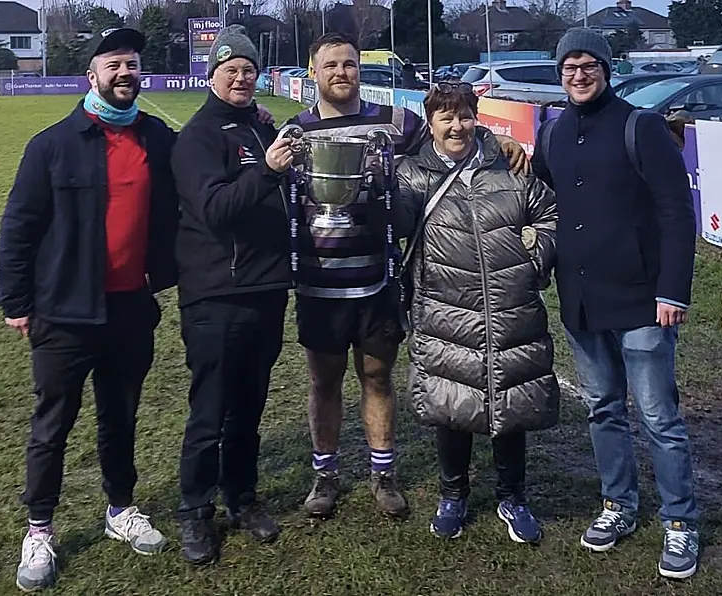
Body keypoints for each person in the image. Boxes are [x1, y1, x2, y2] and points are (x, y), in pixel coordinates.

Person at [285, 32, 528, 521]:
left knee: (377, 377)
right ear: (312, 72)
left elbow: (447, 135)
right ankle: (326, 474)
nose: (341, 73)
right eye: (330, 65)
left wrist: (492, 137)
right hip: (319, 280)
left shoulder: (394, 121)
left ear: (359, 69)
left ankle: (383, 474)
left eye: (349, 64)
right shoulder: (295, 131)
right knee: (323, 382)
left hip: (378, 276)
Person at [0, 27, 178, 592]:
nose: (126, 73)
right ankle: (39, 528)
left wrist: (255, 129)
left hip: (128, 309)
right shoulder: (51, 144)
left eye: (133, 64)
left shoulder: (157, 137)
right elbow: (19, 228)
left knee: (119, 418)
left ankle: (120, 508)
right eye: (115, 64)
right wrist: (16, 302)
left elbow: (200, 167)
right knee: (52, 425)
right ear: (92, 74)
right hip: (63, 313)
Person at [531, 28, 699, 579]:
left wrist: (672, 290)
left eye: (588, 65)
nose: (578, 75)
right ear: (559, 75)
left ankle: (680, 523)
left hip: (643, 302)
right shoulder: (552, 134)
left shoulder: (640, 126)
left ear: (605, 69)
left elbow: (676, 213)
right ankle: (618, 505)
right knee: (604, 409)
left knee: (658, 418)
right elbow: (539, 196)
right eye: (568, 67)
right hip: (582, 301)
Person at [394, 82, 559, 542]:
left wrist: (534, 257)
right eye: (445, 117)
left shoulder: (507, 166)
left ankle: (513, 497)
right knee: (452, 405)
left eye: (464, 115)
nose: (456, 126)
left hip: (509, 307)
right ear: (430, 123)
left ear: (476, 116)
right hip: (445, 311)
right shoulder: (412, 174)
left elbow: (550, 214)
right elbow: (399, 221)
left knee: (511, 404)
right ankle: (454, 495)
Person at [170, 25, 294, 565]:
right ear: (212, 75)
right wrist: (267, 172)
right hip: (217, 295)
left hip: (266, 290)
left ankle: (241, 497)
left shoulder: (258, 127)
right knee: (210, 411)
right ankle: (195, 511)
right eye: (231, 70)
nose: (242, 77)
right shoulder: (198, 136)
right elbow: (216, 208)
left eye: (248, 69)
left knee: (248, 407)